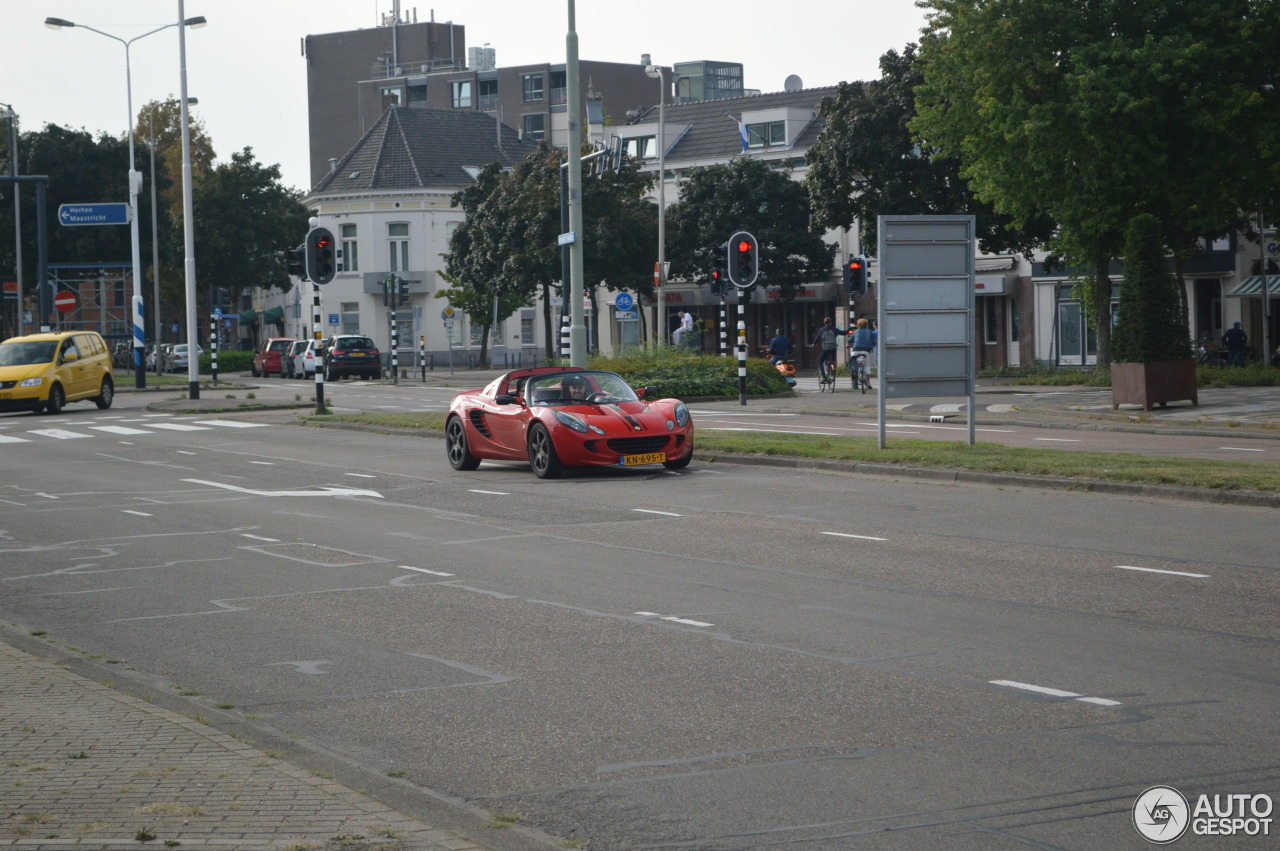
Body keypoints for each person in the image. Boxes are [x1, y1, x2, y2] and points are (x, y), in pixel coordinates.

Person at [810, 316, 844, 383]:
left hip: (825, 349)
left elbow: (817, 338)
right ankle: (833, 372)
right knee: (833, 361)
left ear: (824, 323)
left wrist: (813, 344)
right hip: (833, 349)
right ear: (831, 322)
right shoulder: (834, 329)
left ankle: (824, 378)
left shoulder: (822, 330)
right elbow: (843, 332)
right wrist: (850, 330)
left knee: (820, 362)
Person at [848, 318, 875, 388]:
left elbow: (850, 340)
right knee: (867, 366)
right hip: (866, 351)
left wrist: (848, 344)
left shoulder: (856, 332)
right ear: (866, 324)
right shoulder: (870, 332)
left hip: (856, 350)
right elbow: (874, 342)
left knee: (853, 363)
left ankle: (854, 376)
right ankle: (868, 383)